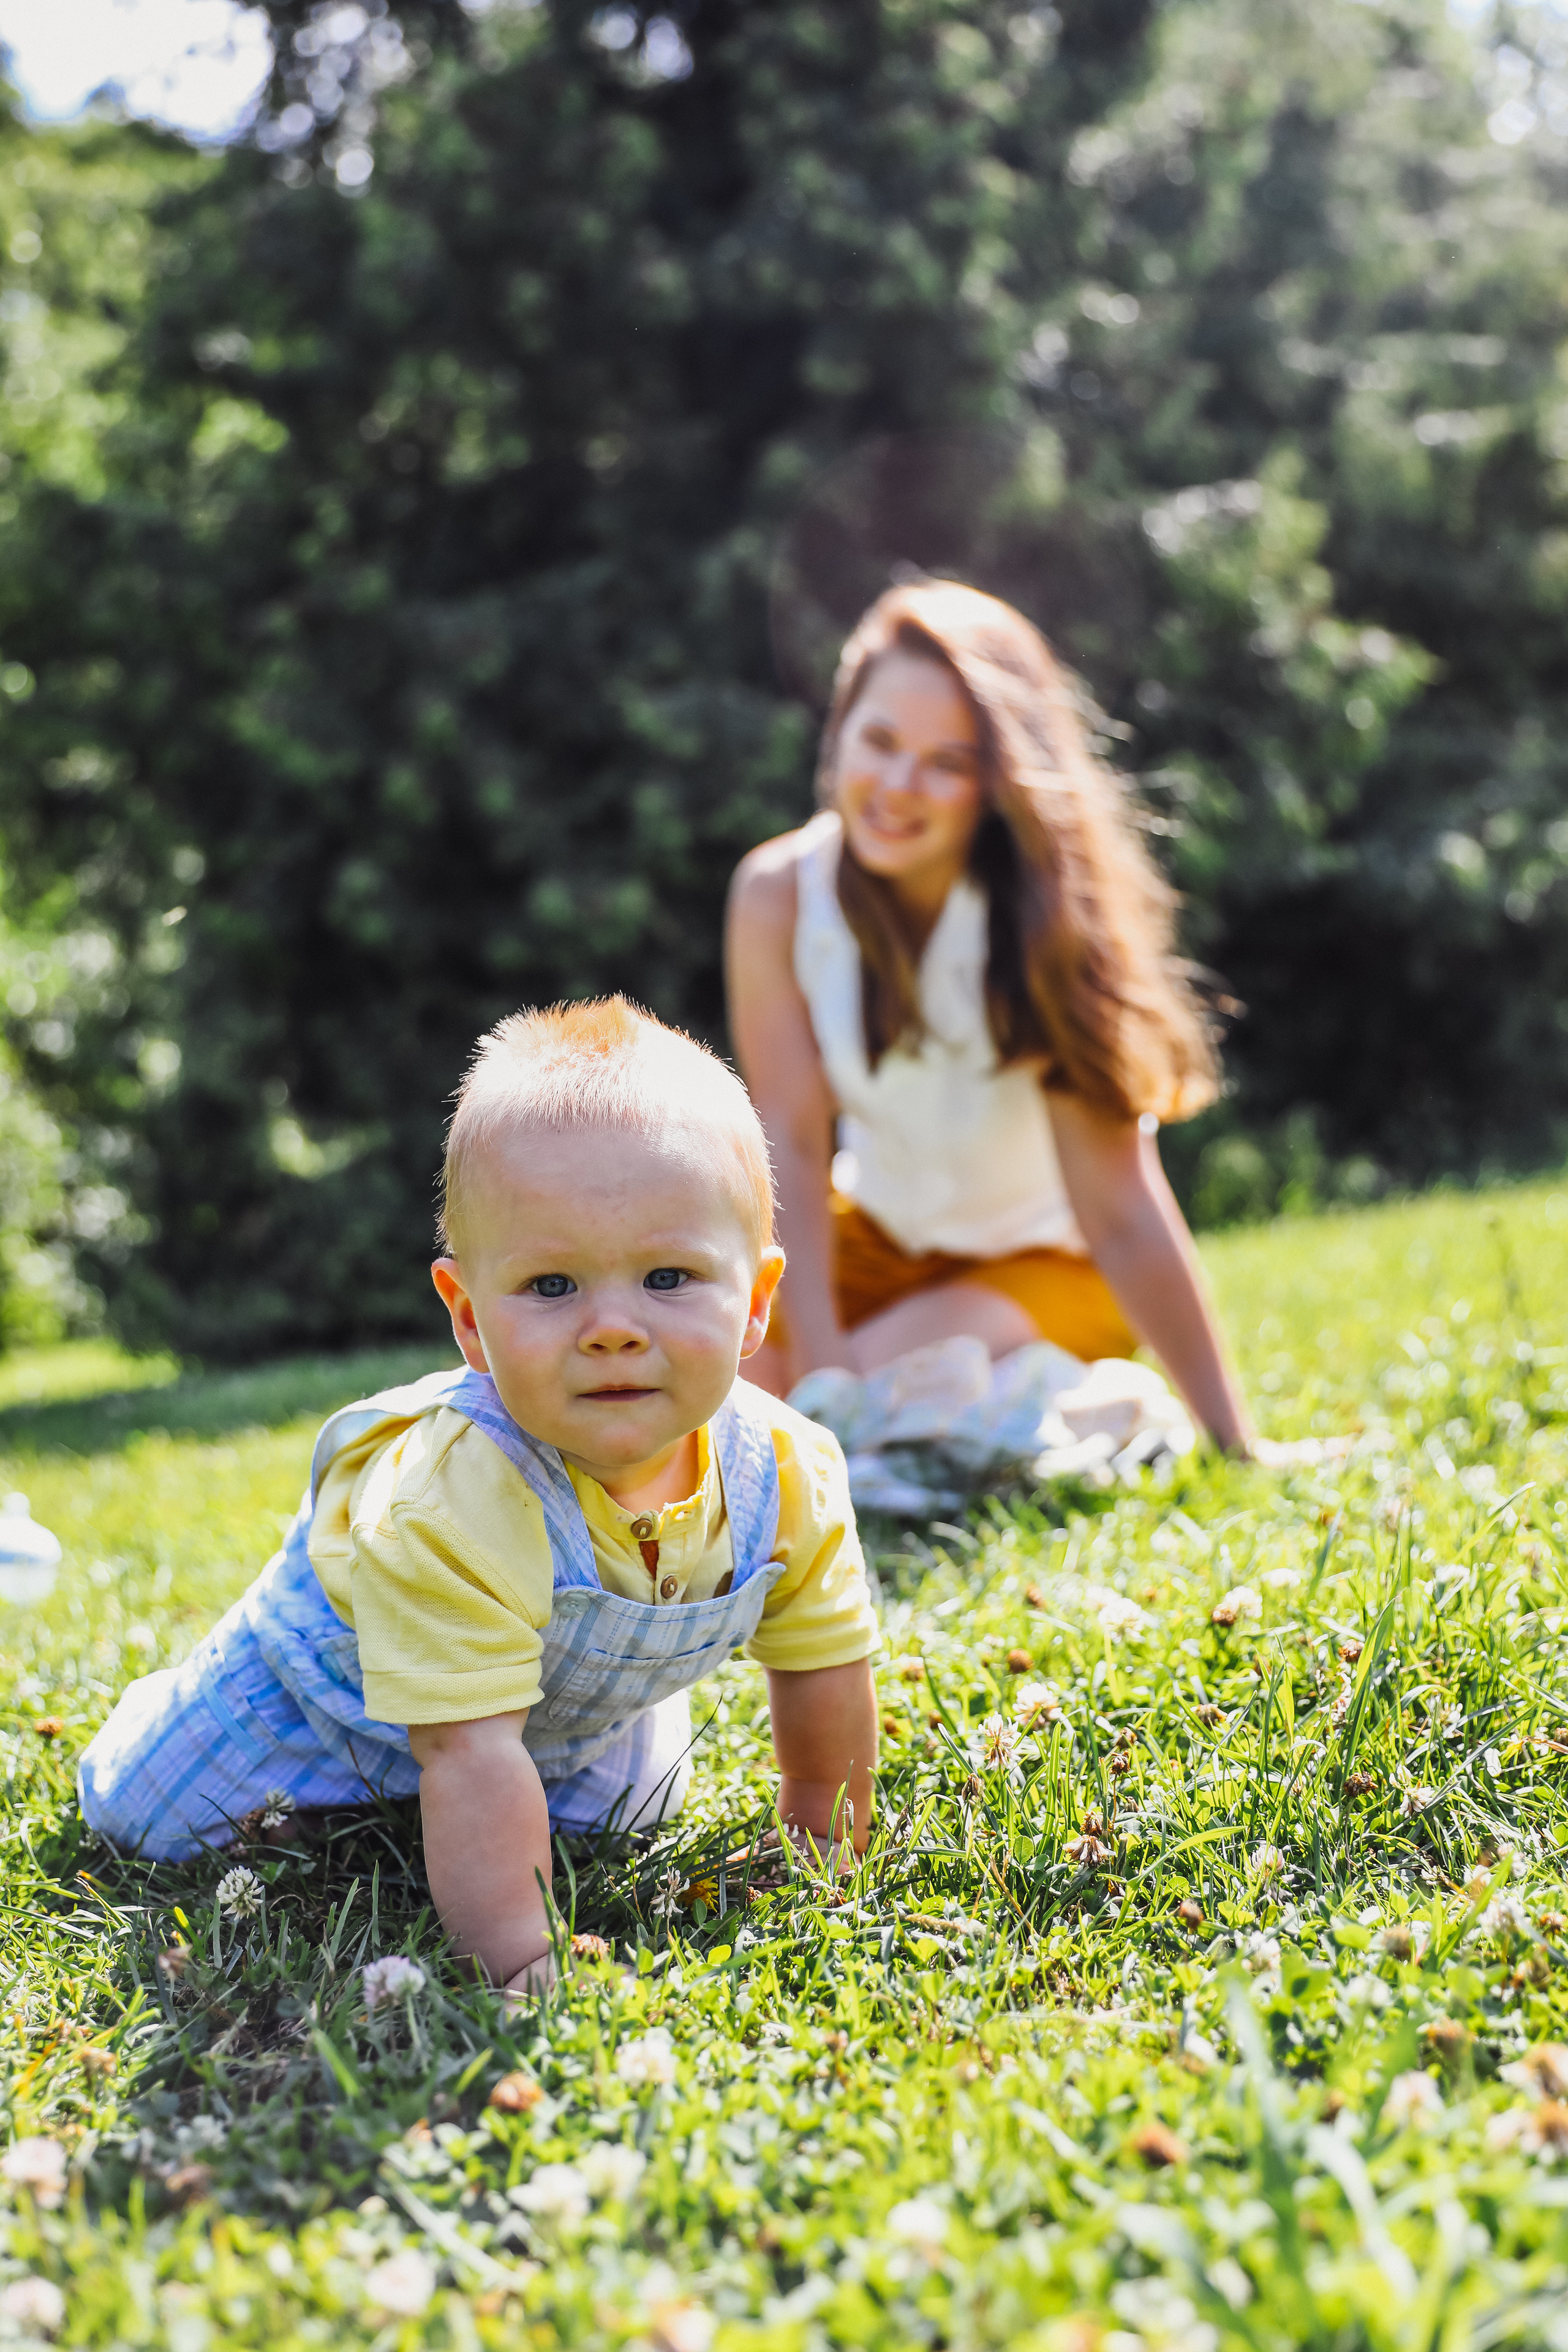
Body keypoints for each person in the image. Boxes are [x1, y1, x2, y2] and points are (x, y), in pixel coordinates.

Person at [77, 999, 880, 1999]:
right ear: (467, 1316)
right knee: (144, 1821)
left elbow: (825, 1674)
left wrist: (822, 1855)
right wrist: (522, 1965)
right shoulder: (454, 1497)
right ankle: (167, 1724)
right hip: (316, 1700)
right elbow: (465, 1753)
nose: (613, 1328)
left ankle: (514, 1802)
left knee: (631, 1815)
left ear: (758, 1302)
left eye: (669, 1277)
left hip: (561, 1714)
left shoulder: (788, 1473)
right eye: (551, 1287)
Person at [726, 578, 1253, 1454]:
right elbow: (792, 1139)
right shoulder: (777, 895)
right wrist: (815, 1361)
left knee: (853, 1387)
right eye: (880, 741)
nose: (899, 786)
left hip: (1045, 1265)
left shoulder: (1046, 927)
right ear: (839, 733)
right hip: (873, 1245)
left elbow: (1121, 1208)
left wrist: (1238, 1443)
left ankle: (1015, 1388)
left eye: (947, 763)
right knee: (730, 1376)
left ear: (997, 783)